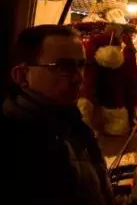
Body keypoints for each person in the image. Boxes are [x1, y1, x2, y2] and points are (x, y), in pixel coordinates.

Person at [0, 25, 113, 205]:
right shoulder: (11, 141)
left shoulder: (77, 128)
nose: (79, 78)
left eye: (81, 65)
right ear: (21, 76)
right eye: (63, 67)